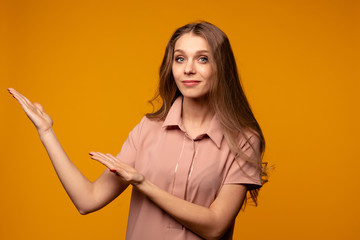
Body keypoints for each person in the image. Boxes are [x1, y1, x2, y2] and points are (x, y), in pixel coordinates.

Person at [8, 21, 267, 240]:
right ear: (171, 67)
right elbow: (87, 200)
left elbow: (215, 226)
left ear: (221, 67)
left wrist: (143, 184)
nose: (188, 68)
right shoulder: (148, 129)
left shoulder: (244, 139)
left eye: (202, 59)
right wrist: (46, 132)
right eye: (180, 58)